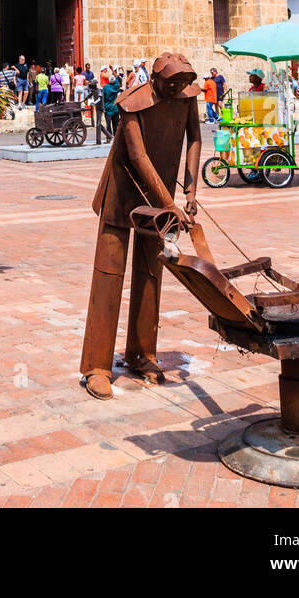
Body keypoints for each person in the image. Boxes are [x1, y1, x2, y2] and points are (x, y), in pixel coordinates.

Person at [79, 52, 202, 400]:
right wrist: (169, 203)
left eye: (183, 82)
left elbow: (195, 139)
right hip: (122, 195)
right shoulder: (132, 104)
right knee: (109, 276)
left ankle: (141, 353)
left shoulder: (187, 96)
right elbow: (137, 156)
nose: (178, 89)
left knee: (151, 273)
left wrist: (191, 189)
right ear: (155, 80)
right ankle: (97, 366)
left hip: (160, 196)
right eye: (171, 83)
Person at [87, 71, 110, 145]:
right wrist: (82, 100)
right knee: (98, 124)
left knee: (98, 124)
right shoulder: (93, 91)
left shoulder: (99, 90)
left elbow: (99, 99)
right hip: (97, 107)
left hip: (100, 107)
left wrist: (94, 103)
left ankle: (99, 141)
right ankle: (109, 135)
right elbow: (89, 96)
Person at [102, 69, 123, 137]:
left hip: (108, 109)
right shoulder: (116, 86)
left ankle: (109, 136)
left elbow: (102, 98)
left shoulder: (105, 88)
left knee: (108, 125)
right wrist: (112, 70)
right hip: (115, 108)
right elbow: (118, 78)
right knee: (115, 124)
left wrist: (103, 108)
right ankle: (116, 137)